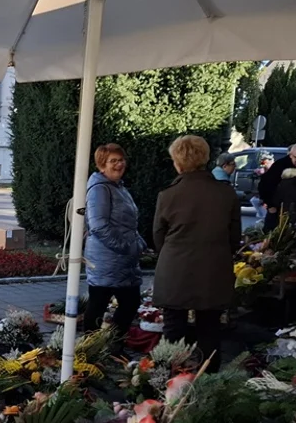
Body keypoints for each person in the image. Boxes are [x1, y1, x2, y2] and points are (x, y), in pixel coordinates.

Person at [153, 136, 241, 371]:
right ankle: (209, 381)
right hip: (214, 271)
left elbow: (158, 237)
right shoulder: (226, 194)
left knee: (173, 329)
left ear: (178, 163)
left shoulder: (168, 195)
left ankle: (168, 381)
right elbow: (234, 238)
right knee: (210, 329)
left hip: (175, 270)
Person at [83, 143, 147, 340]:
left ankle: (112, 345)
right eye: (113, 161)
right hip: (106, 260)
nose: (119, 164)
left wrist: (139, 243)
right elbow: (98, 226)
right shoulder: (100, 189)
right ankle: (90, 350)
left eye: (121, 160)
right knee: (99, 305)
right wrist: (127, 247)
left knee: (130, 303)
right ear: (102, 165)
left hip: (123, 260)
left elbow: (127, 224)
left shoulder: (118, 187)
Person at [259, 143, 296, 231]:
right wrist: (270, 205)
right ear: (291, 155)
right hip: (278, 209)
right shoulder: (280, 165)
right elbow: (264, 184)